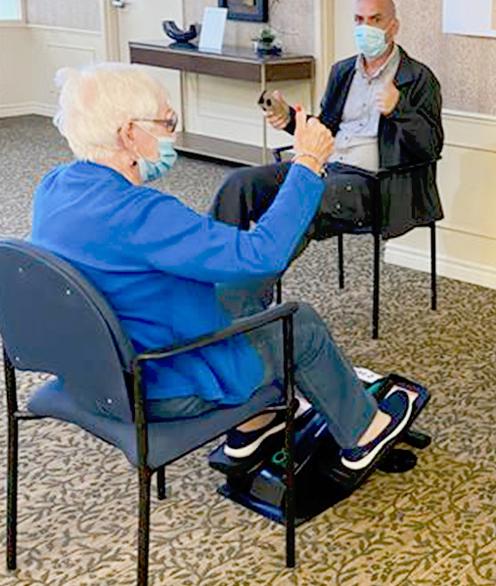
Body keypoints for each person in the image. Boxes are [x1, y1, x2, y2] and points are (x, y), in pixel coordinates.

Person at [31, 62, 415, 471]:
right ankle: (364, 431)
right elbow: (261, 255)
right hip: (161, 386)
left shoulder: (54, 187)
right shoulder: (141, 214)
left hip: (93, 374)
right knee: (298, 323)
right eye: (166, 122)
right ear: (129, 133)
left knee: (241, 290)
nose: (172, 134)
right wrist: (306, 164)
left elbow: (229, 268)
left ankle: (256, 421)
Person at [209, 0, 443, 249]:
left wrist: (398, 108)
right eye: (359, 19)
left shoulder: (418, 77)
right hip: (324, 168)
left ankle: (250, 279)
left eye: (375, 19)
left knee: (302, 201)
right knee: (239, 183)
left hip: (373, 183)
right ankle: (215, 267)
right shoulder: (342, 72)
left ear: (394, 25)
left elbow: (430, 146)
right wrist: (289, 119)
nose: (366, 27)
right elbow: (325, 129)